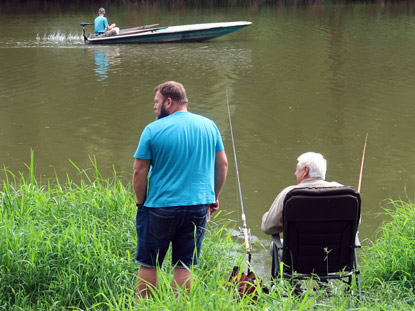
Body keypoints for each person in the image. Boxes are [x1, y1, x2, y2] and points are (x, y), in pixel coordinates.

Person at [132, 81, 228, 297]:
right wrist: (213, 196)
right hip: (197, 206)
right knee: (184, 265)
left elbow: (139, 171)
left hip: (160, 207)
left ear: (169, 101)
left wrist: (141, 202)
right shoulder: (209, 125)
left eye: (157, 102)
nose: (155, 107)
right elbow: (222, 164)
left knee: (149, 264)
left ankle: (145, 307)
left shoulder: (152, 129)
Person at [261, 152, 342, 236]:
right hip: (336, 248)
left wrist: (268, 215)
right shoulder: (342, 190)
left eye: (297, 169)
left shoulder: (289, 193)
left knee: (273, 246)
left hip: (297, 249)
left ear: (306, 171)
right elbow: (354, 221)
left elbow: (268, 228)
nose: (295, 173)